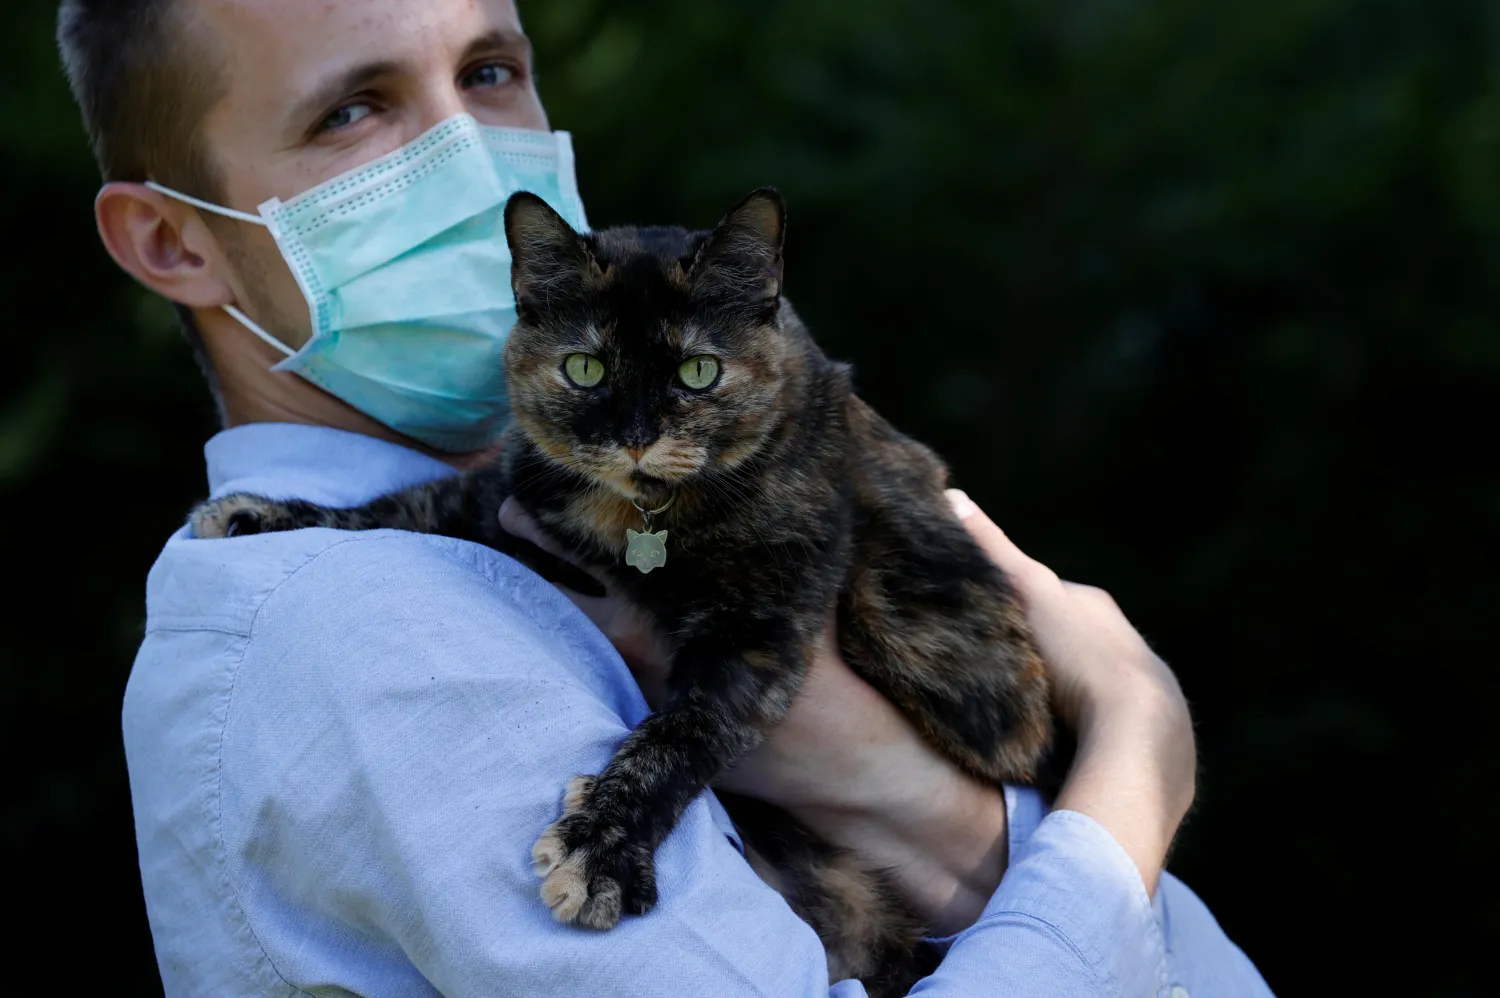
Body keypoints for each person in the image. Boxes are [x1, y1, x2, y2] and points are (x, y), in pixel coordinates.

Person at [59, 0, 1275, 994]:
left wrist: (947, 823)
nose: (469, 156)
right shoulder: (366, 627)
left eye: (490, 70)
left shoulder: (549, 506)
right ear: (174, 241)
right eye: (355, 108)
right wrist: (1133, 760)